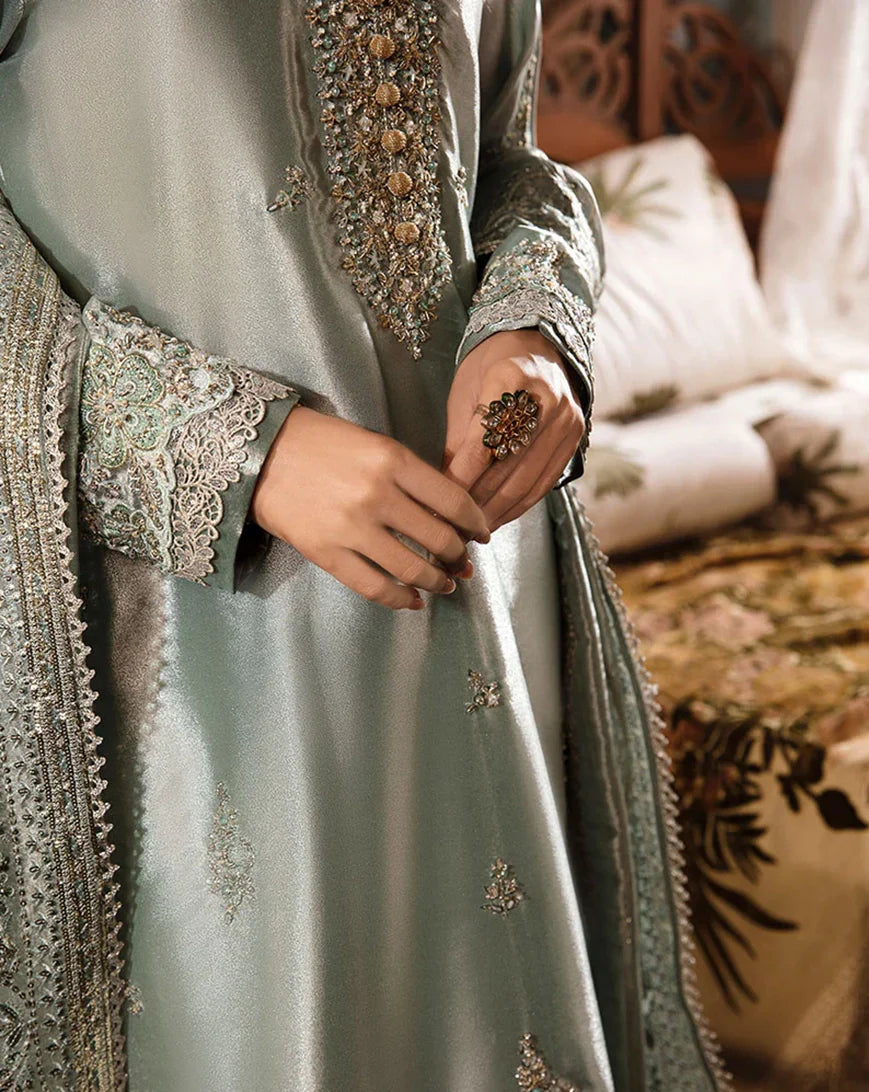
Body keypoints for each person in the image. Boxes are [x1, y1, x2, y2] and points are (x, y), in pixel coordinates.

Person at [0, 2, 729, 1089]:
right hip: (210, 661)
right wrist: (239, 450)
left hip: (491, 604)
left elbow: (504, 160)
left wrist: (537, 322)